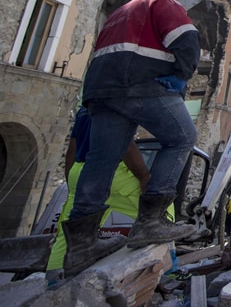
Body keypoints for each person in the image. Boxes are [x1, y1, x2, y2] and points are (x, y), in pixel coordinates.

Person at [63, 0, 199, 278]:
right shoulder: (164, 3)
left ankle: (80, 245)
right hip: (138, 84)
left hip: (100, 91)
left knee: (101, 159)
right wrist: (181, 75)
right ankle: (149, 221)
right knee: (182, 137)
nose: (180, 0)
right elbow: (187, 41)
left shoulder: (119, 13)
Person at [47, 108, 155, 277]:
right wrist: (143, 176)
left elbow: (72, 149)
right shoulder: (120, 100)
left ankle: (55, 274)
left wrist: (73, 185)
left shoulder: (85, 109)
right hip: (112, 170)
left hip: (80, 169)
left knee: (74, 224)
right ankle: (165, 265)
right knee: (158, 207)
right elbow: (124, 142)